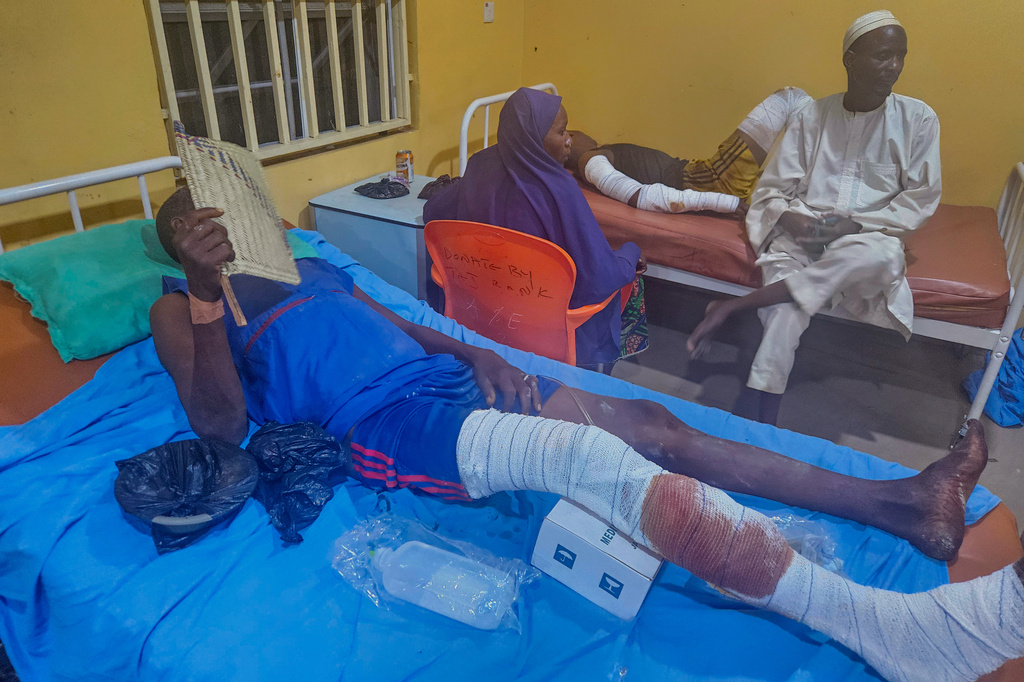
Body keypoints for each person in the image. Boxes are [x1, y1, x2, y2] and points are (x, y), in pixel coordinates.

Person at [150, 188, 1022, 681]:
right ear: (183, 240)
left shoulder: (302, 262)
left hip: (445, 382)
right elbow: (221, 423)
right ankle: (889, 630)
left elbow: (406, 325)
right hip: (385, 427)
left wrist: (477, 355)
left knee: (651, 424)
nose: (224, 220)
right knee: (587, 457)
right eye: (200, 219)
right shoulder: (180, 306)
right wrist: (198, 287)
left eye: (226, 204)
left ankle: (906, 503)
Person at [686, 10, 941, 426]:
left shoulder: (919, 120)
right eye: (882, 55)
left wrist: (854, 225)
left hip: (866, 238)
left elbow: (921, 199)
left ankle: (738, 305)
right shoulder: (811, 117)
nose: (894, 66)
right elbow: (769, 192)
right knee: (785, 314)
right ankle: (762, 417)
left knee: (883, 259)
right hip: (805, 234)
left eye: (900, 55)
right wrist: (791, 221)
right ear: (850, 60)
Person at [423, 87, 646, 372]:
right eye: (562, 132)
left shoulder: (479, 165)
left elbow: (434, 213)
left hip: (484, 312)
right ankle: (601, 375)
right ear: (532, 137)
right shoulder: (559, 188)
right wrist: (630, 252)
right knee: (631, 277)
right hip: (545, 325)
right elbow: (599, 278)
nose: (569, 141)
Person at [565, 87, 813, 215]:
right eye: (563, 131)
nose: (573, 132)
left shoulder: (598, 156)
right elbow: (640, 196)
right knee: (790, 98)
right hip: (710, 181)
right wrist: (722, 201)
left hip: (705, 177)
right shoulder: (590, 160)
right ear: (570, 140)